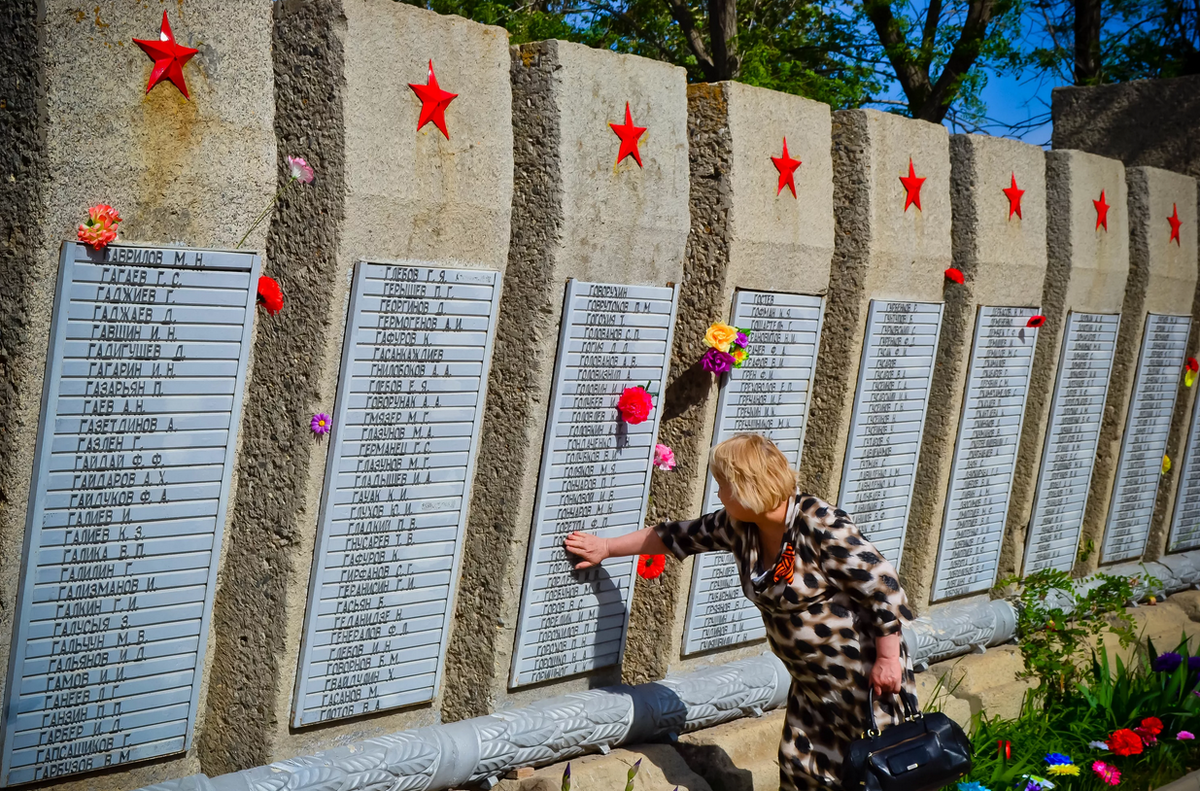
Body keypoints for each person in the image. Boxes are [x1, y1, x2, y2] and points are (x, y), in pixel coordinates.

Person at [564, 433, 919, 791]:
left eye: (723, 485)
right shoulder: (739, 528)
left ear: (748, 486)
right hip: (811, 686)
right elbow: (675, 535)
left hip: (863, 681)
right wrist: (606, 548)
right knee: (803, 770)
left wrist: (889, 660)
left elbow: (883, 586)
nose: (718, 493)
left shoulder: (820, 525)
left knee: (879, 774)